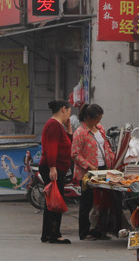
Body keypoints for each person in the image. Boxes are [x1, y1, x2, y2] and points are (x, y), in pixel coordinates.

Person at [71, 103, 117, 240]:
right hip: (88, 172)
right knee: (87, 201)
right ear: (88, 118)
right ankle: (84, 231)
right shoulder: (80, 132)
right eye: (97, 119)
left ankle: (100, 229)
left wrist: (114, 160)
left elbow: (106, 147)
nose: (99, 121)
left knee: (103, 200)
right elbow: (75, 154)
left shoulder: (100, 129)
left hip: (103, 169)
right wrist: (89, 166)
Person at [39, 99, 73, 244]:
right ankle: (54, 234)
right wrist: (53, 168)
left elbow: (66, 144)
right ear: (63, 109)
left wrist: (69, 130)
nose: (68, 117)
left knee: (51, 201)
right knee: (56, 201)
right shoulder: (53, 125)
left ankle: (47, 233)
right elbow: (51, 147)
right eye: (69, 112)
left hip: (56, 167)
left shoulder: (58, 126)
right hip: (54, 168)